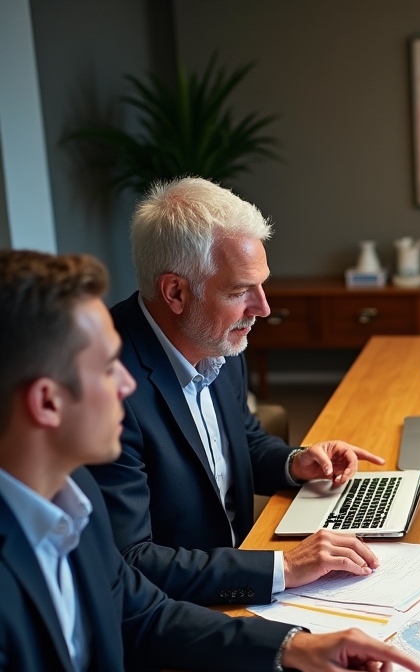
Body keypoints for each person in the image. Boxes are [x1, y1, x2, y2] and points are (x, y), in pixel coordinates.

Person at [0, 251, 420, 672]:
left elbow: (142, 615)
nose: (130, 386)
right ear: (47, 402)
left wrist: (295, 647)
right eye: (109, 369)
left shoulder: (67, 487)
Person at [88, 176, 386, 607]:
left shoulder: (218, 339)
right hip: (179, 610)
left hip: (242, 572)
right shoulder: (105, 389)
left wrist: (294, 462)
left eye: (261, 284)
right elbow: (131, 562)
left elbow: (241, 438)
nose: (262, 308)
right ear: (175, 292)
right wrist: (283, 569)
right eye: (240, 290)